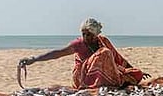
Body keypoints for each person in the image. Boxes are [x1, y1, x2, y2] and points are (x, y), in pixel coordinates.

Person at [19, 18, 150, 89]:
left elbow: (118, 58)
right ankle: (97, 84)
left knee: (136, 73)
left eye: (89, 34)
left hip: (106, 72)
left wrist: (132, 69)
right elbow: (58, 53)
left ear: (95, 35)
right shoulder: (79, 44)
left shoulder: (103, 41)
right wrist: (34, 59)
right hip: (82, 77)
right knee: (104, 53)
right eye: (84, 34)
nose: (86, 37)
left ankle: (110, 82)